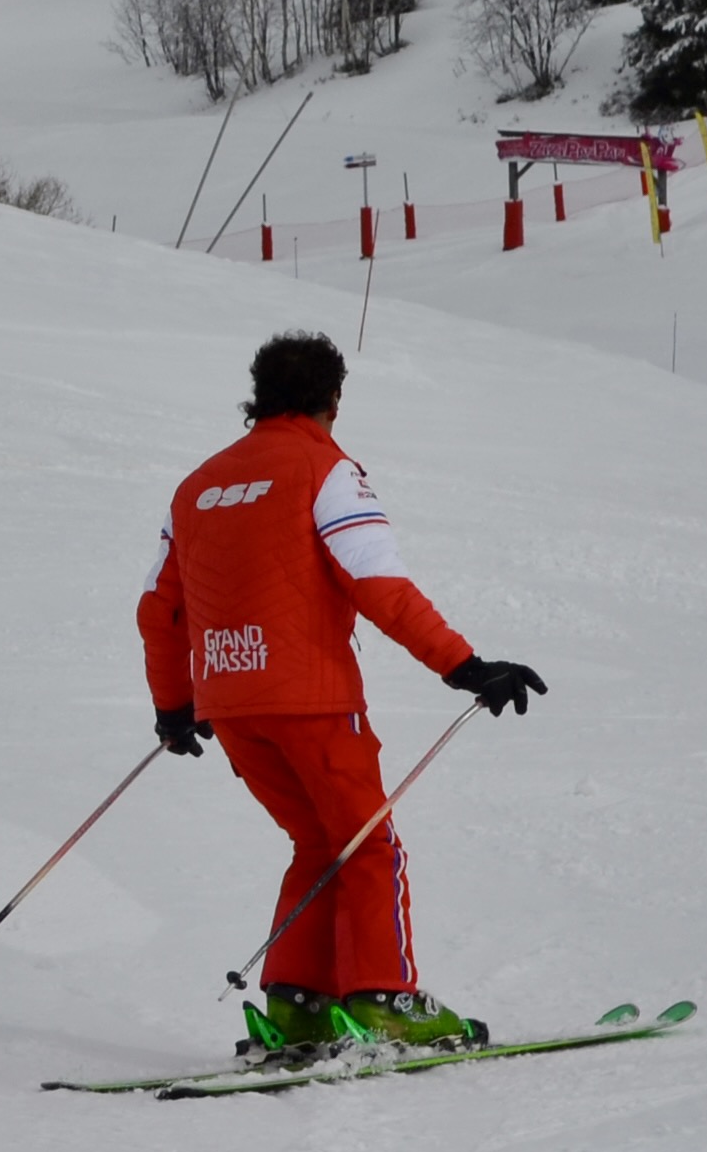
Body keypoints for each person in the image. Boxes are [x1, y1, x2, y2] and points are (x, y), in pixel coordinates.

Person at [135, 334, 547, 1061]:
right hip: (311, 700)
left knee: (318, 843)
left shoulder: (195, 487)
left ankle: (298, 1006)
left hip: (228, 704)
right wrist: (464, 666)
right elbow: (377, 583)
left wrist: (174, 706)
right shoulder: (326, 470)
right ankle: (386, 999)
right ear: (334, 399)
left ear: (258, 395)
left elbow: (159, 609)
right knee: (368, 847)